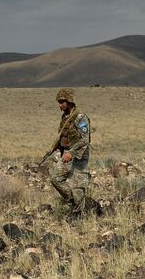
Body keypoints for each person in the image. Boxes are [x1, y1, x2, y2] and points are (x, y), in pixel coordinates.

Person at [48, 88, 92, 221]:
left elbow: (84, 140)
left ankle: (79, 214)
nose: (60, 105)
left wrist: (71, 153)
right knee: (55, 179)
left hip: (78, 155)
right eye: (59, 102)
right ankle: (74, 202)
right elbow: (64, 136)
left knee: (77, 185)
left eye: (62, 102)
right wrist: (56, 149)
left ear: (69, 101)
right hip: (66, 154)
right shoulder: (65, 117)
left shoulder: (80, 117)